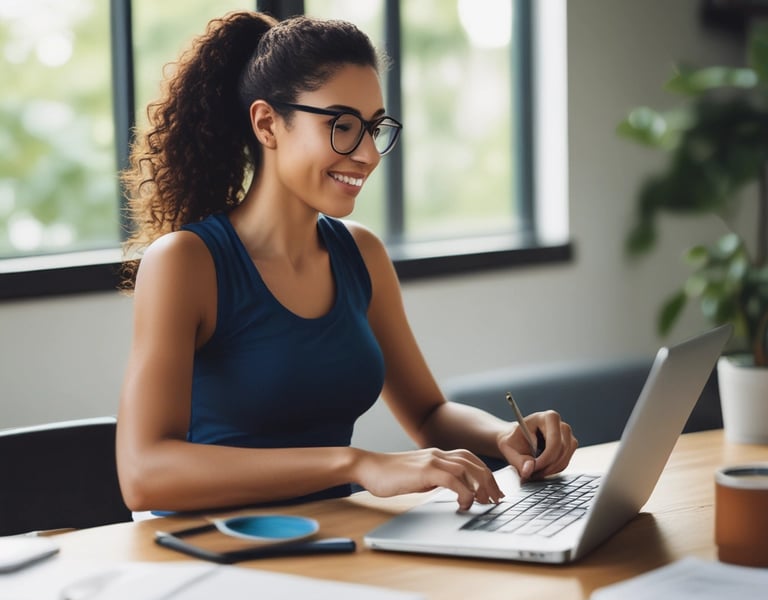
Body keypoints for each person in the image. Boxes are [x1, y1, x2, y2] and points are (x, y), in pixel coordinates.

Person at [115, 10, 578, 515]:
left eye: (374, 128)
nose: (368, 154)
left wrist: (504, 433)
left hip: (338, 542)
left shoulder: (362, 254)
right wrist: (355, 464)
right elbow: (144, 475)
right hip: (212, 554)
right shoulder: (187, 262)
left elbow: (428, 412)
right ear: (267, 123)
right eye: (342, 126)